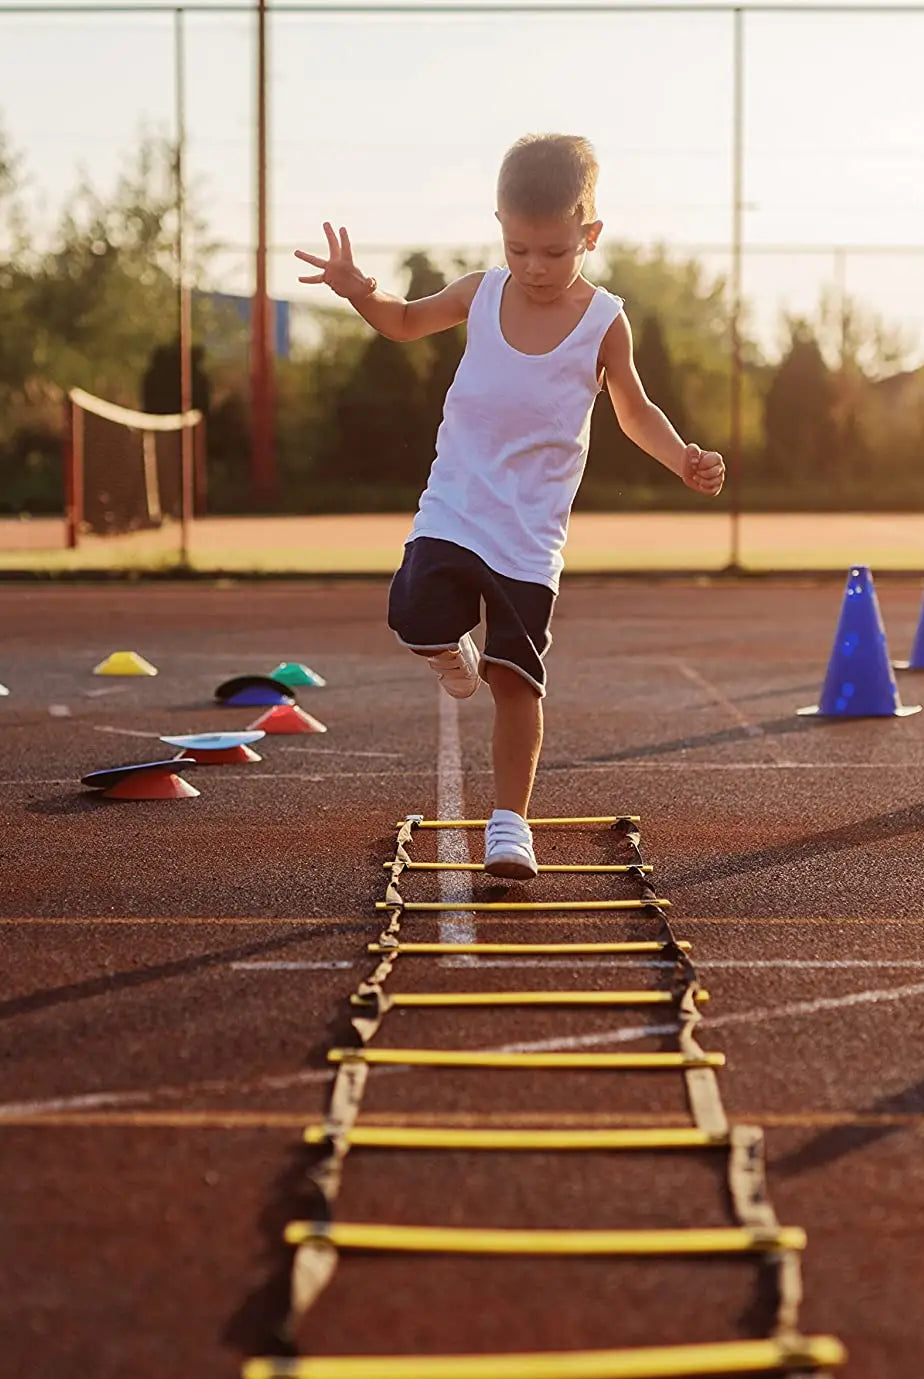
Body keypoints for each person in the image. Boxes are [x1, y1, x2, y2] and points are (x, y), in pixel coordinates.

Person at [295, 133, 725, 880]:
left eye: (554, 252)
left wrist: (682, 457)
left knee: (516, 684)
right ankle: (448, 655)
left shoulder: (604, 322)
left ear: (589, 235)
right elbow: (402, 322)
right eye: (518, 247)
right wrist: (359, 289)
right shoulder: (480, 292)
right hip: (456, 507)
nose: (534, 267)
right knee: (412, 615)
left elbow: (633, 410)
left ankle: (509, 825)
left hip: (529, 537)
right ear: (499, 225)